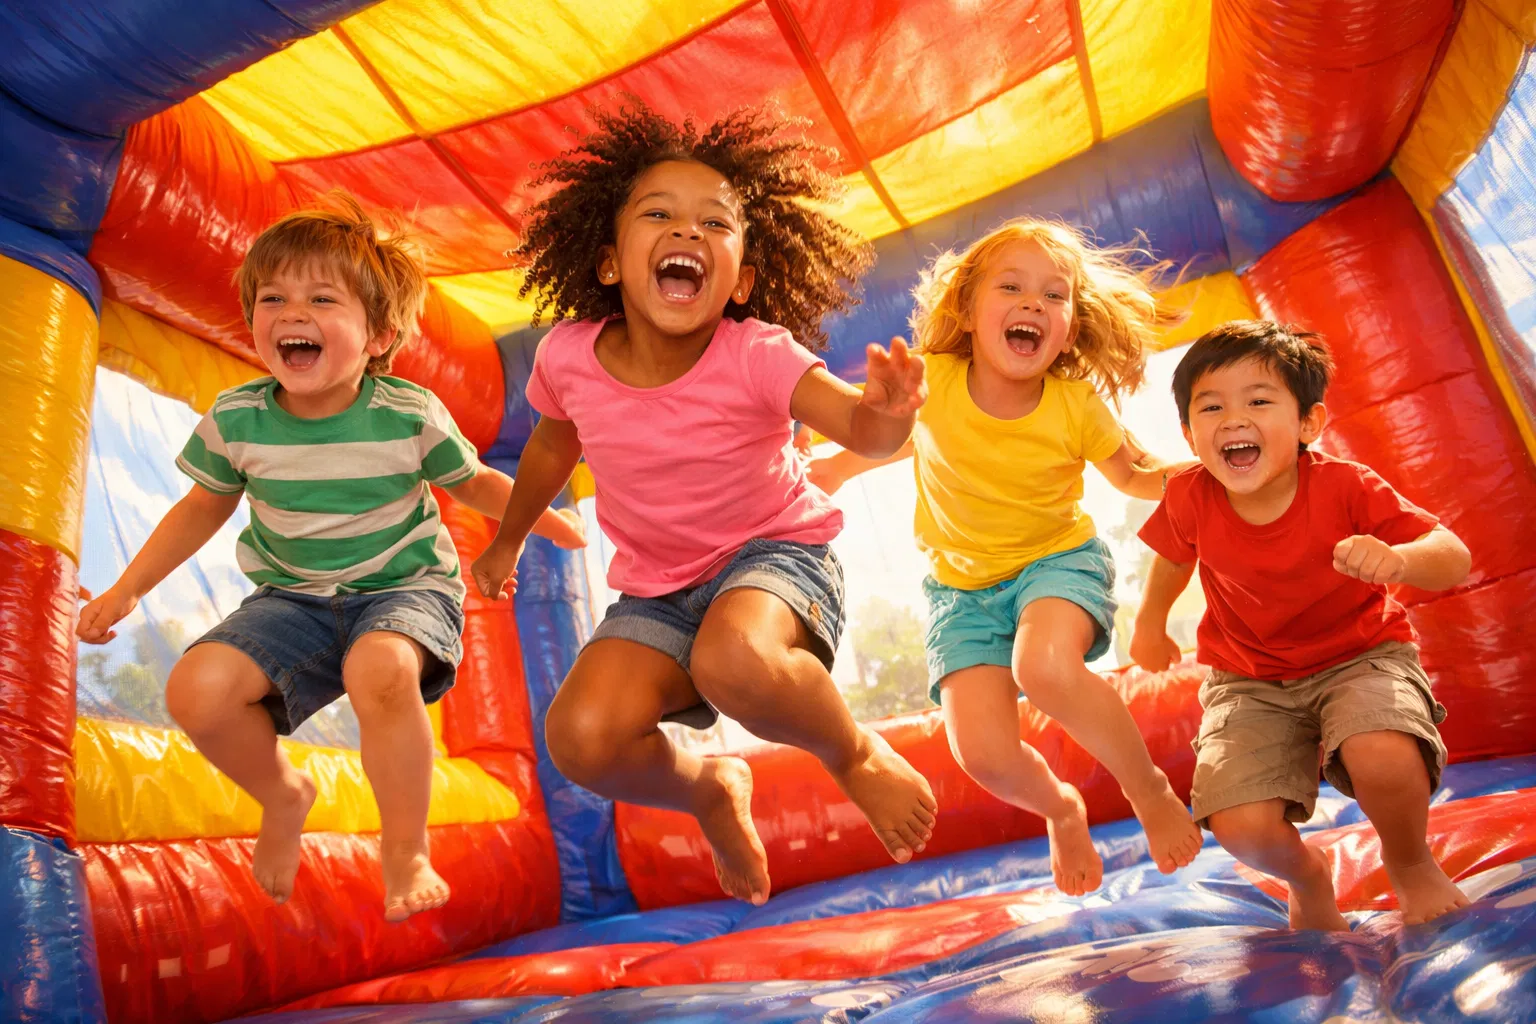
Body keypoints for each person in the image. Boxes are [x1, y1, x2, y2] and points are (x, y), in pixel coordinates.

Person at [471, 101, 937, 906]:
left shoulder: (756, 354)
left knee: (735, 657)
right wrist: (507, 540)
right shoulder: (569, 357)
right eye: (659, 214)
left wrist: (887, 414)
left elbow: (858, 426)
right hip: (660, 593)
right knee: (580, 736)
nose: (687, 230)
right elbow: (550, 448)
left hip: (775, 560)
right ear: (610, 262)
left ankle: (855, 753)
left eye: (715, 223)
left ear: (741, 280)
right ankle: (710, 790)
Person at [76, 196, 586, 921]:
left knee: (379, 668)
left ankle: (405, 850)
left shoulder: (407, 413)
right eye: (273, 298)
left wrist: (541, 519)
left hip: (403, 588)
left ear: (378, 336)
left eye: (321, 299)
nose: (293, 312)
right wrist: (128, 589)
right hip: (293, 600)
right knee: (197, 690)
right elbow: (201, 507)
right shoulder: (238, 419)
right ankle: (283, 794)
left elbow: (472, 482)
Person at [809, 219, 1202, 897]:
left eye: (1054, 296)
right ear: (967, 311)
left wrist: (1205, 471)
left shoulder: (1075, 405)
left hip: (1056, 563)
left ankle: (1148, 788)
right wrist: (834, 470)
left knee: (1042, 666)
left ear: (1069, 331)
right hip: (960, 592)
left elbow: (1136, 475)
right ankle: (1061, 809)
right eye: (1012, 288)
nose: (1032, 304)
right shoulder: (935, 382)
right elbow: (898, 438)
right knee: (982, 754)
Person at [1131, 319, 1472, 928]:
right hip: (1249, 678)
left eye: (1258, 402)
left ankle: (1409, 861)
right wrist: (1150, 624)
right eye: (1211, 407)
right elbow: (1174, 557)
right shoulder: (1189, 494)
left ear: (1309, 423)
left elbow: (1453, 554)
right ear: (1188, 433)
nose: (1233, 420)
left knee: (1382, 750)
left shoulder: (1345, 485)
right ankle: (1308, 876)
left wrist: (1399, 560)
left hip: (1362, 655)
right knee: (1240, 822)